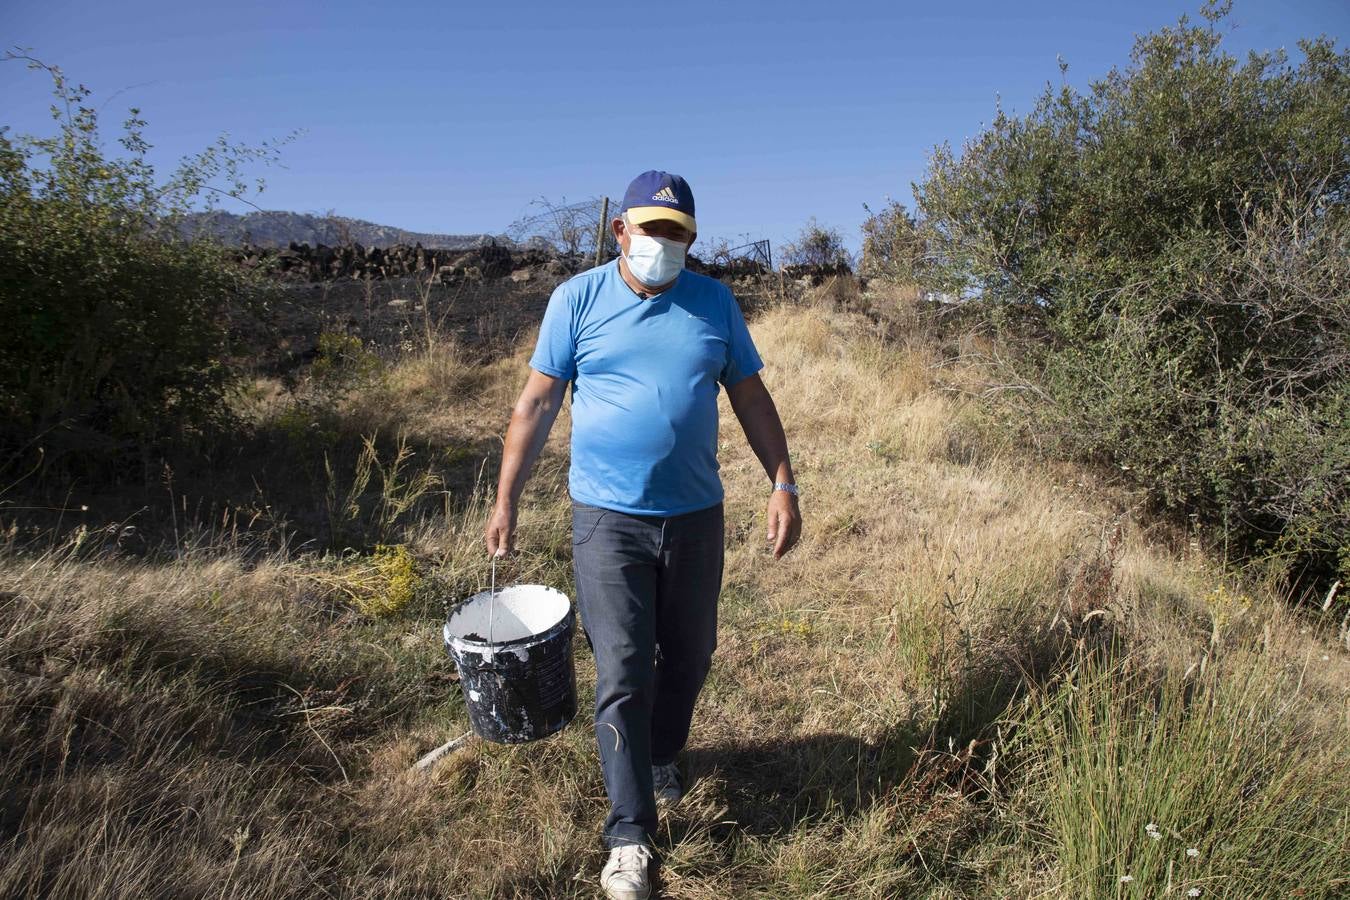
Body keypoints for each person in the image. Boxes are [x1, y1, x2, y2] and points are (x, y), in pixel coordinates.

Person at [484, 170, 801, 900]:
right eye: (650, 229)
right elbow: (536, 404)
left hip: (696, 517)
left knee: (690, 656)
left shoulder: (714, 303)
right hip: (607, 520)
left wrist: (781, 481)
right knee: (624, 669)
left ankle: (659, 755)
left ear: (690, 240)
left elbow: (750, 396)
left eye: (677, 233)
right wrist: (507, 499)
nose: (663, 243)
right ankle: (630, 832)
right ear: (620, 231)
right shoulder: (577, 300)